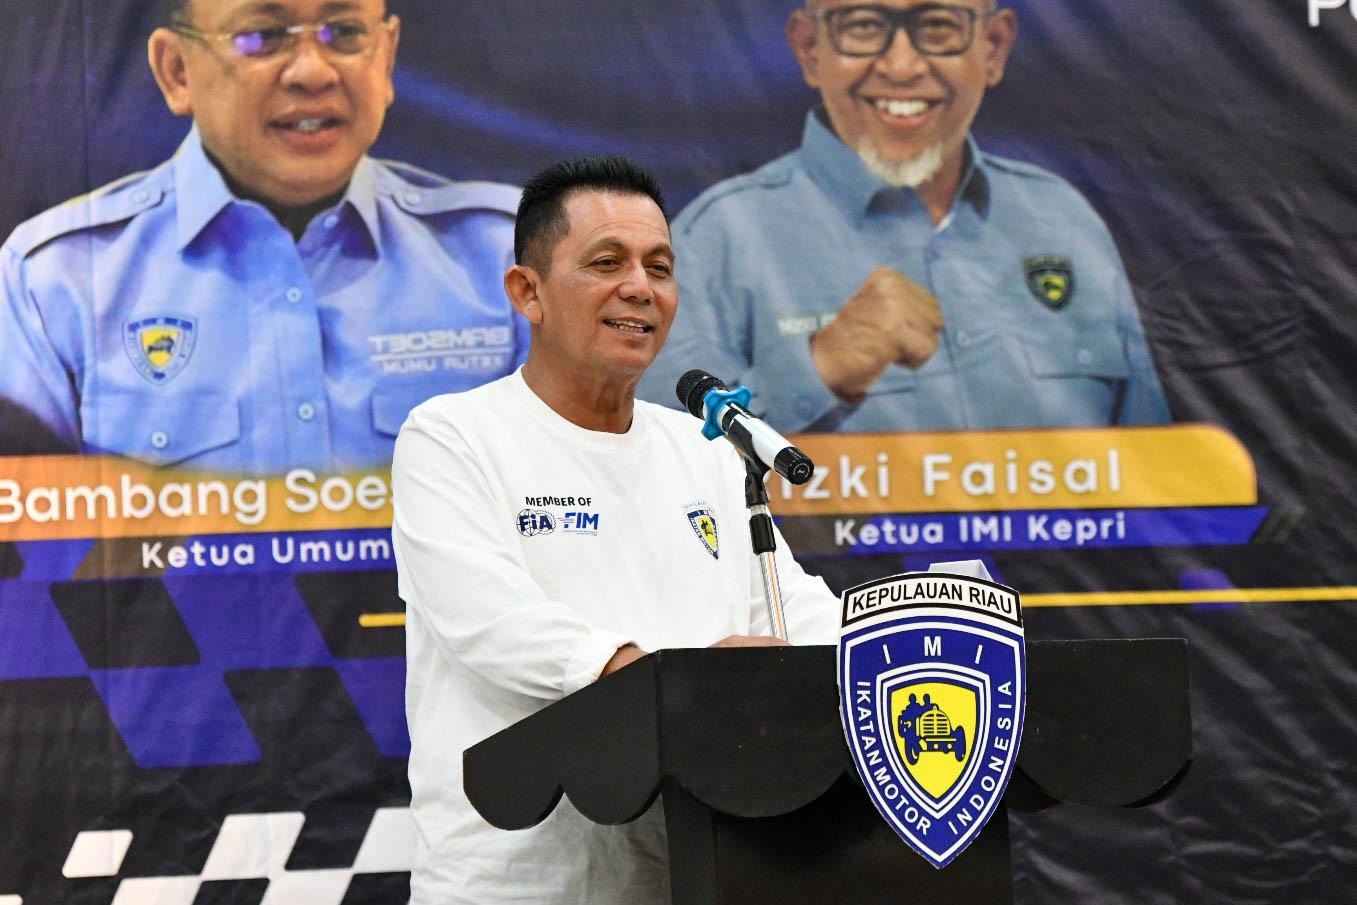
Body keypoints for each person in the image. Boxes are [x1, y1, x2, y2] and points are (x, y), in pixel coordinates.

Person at [392, 156, 840, 905]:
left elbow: (788, 609)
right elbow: (493, 623)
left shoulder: (704, 449)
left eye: (659, 268)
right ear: (527, 292)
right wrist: (680, 680)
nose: (640, 287)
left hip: (696, 868)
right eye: (607, 263)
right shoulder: (453, 435)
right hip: (519, 882)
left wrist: (891, 655)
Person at [0, 0, 527, 473]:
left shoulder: (504, 257)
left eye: (345, 32)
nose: (313, 72)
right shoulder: (54, 283)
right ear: (177, 70)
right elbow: (26, 538)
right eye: (262, 36)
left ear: (385, 58)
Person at [640, 0, 1170, 433]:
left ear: (993, 47)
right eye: (863, 26)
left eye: (938, 25)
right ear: (809, 49)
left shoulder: (1064, 220)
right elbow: (655, 474)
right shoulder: (718, 240)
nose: (901, 66)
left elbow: (1155, 483)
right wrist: (815, 370)